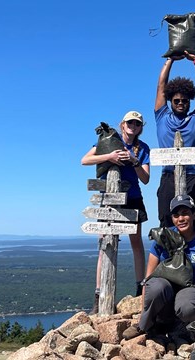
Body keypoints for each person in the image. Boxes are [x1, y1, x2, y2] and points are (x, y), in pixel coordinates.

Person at [81, 111, 151, 313]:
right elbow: (84, 160)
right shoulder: (110, 140)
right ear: (122, 124)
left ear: (140, 128)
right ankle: (99, 295)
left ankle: (140, 291)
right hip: (109, 198)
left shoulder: (142, 148)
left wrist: (134, 160)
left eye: (137, 124)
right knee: (105, 245)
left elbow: (145, 178)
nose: (133, 126)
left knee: (136, 243)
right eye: (130, 123)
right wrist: (110, 156)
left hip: (133, 198)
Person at [123, 195, 195, 340]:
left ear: (194, 214)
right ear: (172, 218)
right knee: (156, 287)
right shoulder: (162, 237)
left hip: (191, 285)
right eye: (176, 215)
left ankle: (186, 326)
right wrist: (144, 313)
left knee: (188, 308)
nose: (181, 219)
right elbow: (148, 279)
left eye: (185, 213)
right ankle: (144, 326)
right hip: (164, 287)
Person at [155, 51, 195, 230]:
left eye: (184, 101)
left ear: (189, 101)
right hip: (168, 175)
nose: (180, 103)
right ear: (170, 100)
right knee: (166, 221)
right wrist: (170, 60)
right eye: (176, 100)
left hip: (194, 176)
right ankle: (169, 258)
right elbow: (161, 86)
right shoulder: (162, 116)